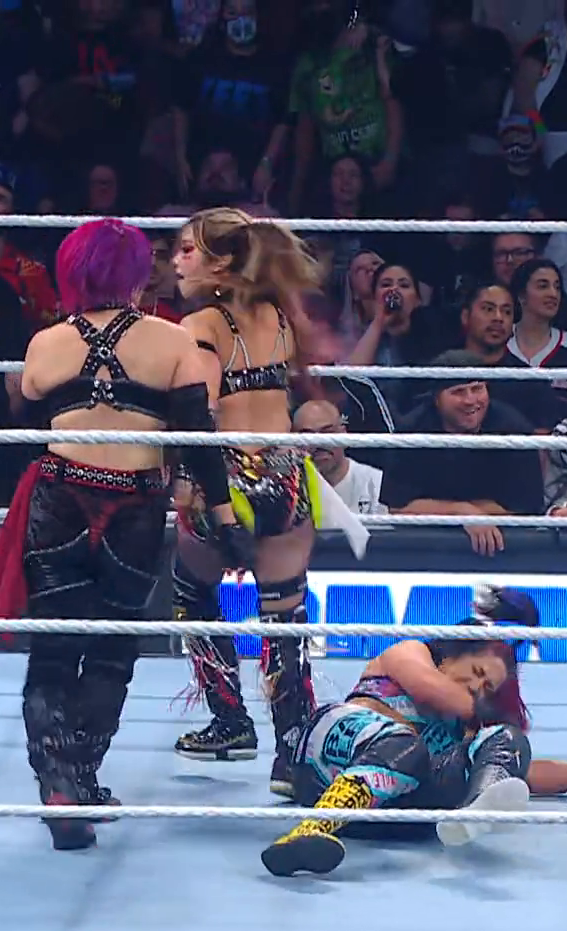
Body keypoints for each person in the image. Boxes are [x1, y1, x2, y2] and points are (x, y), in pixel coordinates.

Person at [0, 217, 239, 852]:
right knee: (112, 646)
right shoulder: (173, 341)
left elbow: (32, 413)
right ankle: (82, 777)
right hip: (134, 505)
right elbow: (198, 441)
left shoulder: (46, 343)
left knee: (53, 650)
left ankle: (61, 784)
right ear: (135, 274)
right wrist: (225, 517)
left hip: (61, 495)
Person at [263, 587, 567, 878]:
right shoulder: (411, 652)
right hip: (324, 767)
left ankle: (475, 811)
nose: (477, 687)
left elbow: (521, 771)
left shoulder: (465, 720)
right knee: (407, 746)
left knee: (505, 742)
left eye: (487, 688)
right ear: (454, 652)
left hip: (393, 815)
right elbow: (431, 690)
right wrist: (489, 711)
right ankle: (308, 832)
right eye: (478, 672)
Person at [166, 207, 330, 797]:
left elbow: (199, 414)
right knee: (284, 616)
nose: (176, 261)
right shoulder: (281, 317)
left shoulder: (202, 324)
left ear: (221, 264)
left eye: (188, 250)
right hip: (285, 474)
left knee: (193, 591)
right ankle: (293, 753)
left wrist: (194, 488)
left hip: (227, 475)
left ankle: (230, 720)